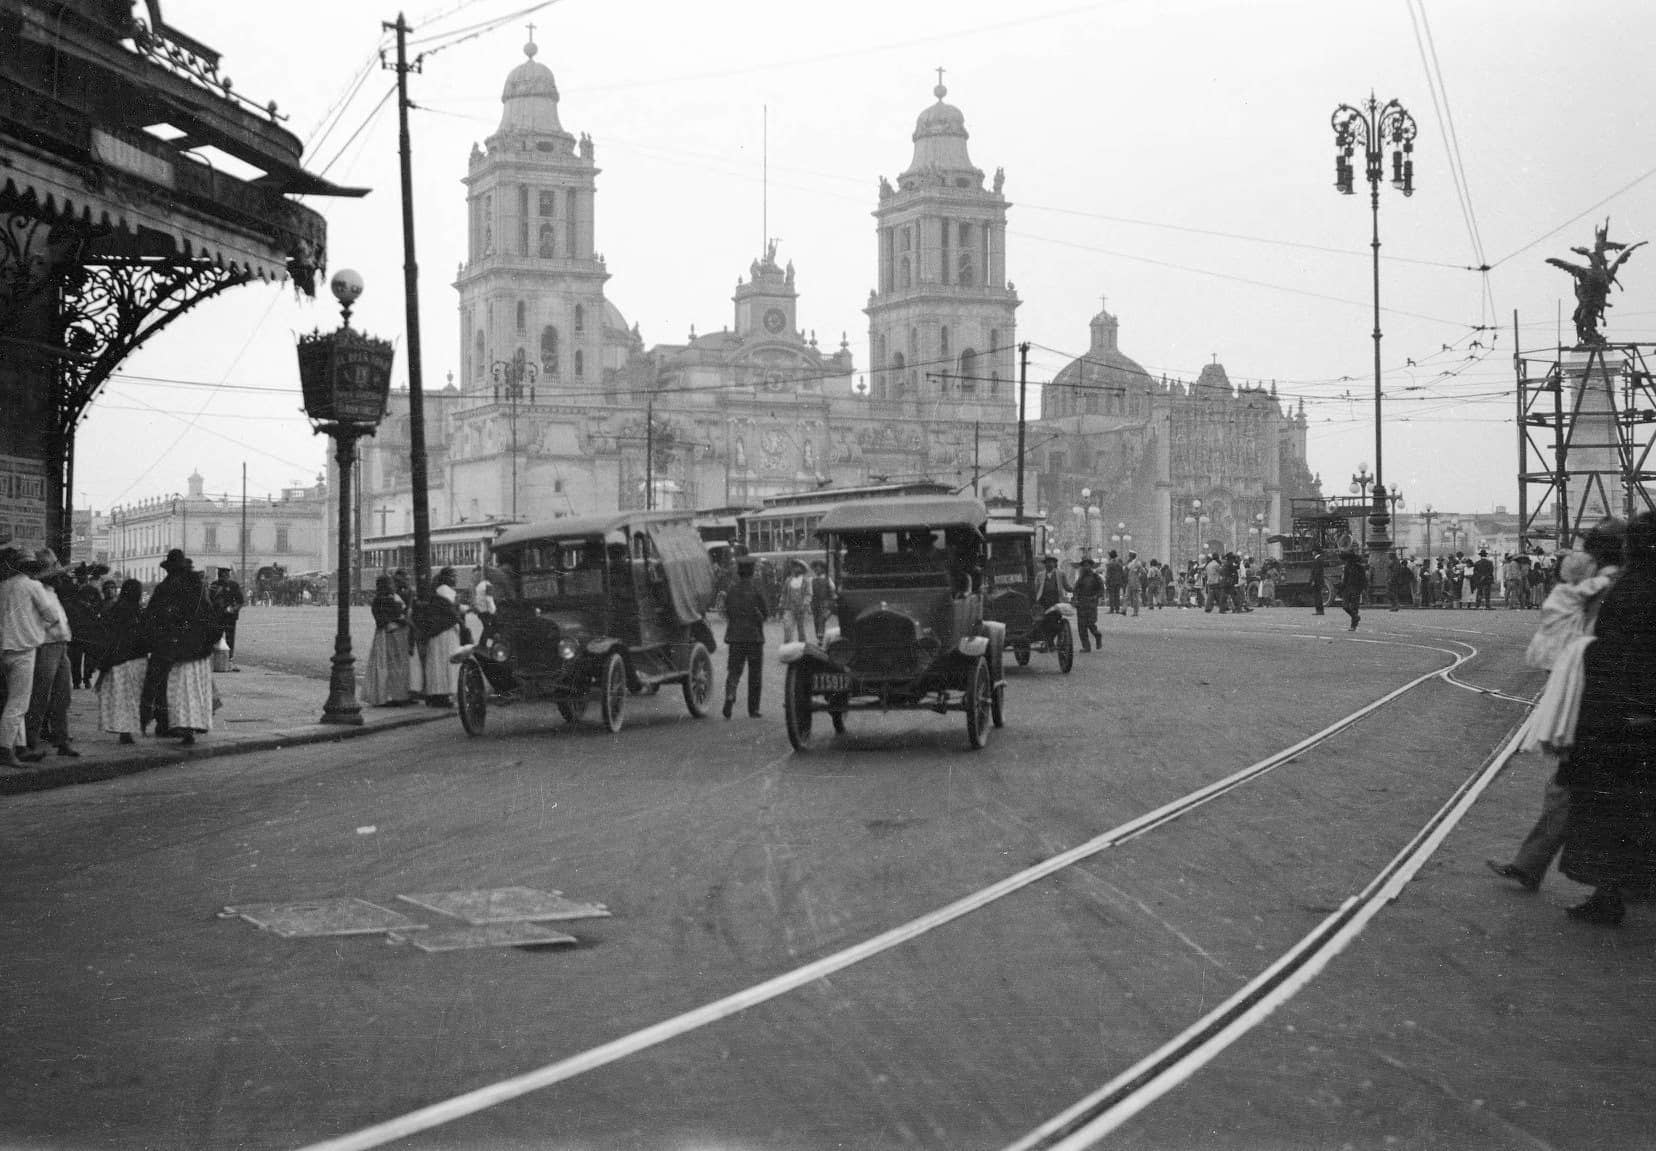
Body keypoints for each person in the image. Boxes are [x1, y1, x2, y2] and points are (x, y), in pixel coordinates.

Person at [1489, 520, 1625, 893]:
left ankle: (1536, 867)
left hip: (1597, 700)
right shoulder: (1611, 585)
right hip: (1606, 700)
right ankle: (1530, 865)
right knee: (1573, 787)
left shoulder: (1605, 589)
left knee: (1569, 786)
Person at [1555, 510, 1656, 925]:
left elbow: (1610, 654)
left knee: (1607, 809)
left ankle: (1608, 894)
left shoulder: (1627, 589)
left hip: (1619, 716)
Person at [141, 553, 219, 745]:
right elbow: (208, 615)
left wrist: (155, 639)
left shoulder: (165, 588)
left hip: (170, 646)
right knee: (189, 687)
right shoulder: (195, 587)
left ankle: (168, 723)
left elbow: (152, 616)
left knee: (166, 686)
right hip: (193, 647)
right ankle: (188, 724)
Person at [0, 547, 58, 768]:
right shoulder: (33, 586)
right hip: (25, 649)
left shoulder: (4, 586)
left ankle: (21, 746)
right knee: (19, 702)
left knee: (13, 698)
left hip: (5, 649)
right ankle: (6, 748)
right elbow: (51, 616)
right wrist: (37, 627)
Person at [22, 550, 77, 758]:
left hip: (61, 643)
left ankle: (61, 739)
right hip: (47, 644)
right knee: (41, 695)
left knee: (63, 695)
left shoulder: (52, 591)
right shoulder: (38, 590)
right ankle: (31, 740)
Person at [96, 579, 148, 745]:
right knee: (133, 697)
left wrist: (104, 665)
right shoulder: (138, 612)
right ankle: (128, 730)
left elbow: (109, 638)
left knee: (122, 697)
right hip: (136, 659)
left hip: (119, 660)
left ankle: (124, 730)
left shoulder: (116, 610)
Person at [721, 556, 768, 719]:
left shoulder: (732, 590)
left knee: (733, 671)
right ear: (752, 572)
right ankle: (753, 709)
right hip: (754, 637)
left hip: (735, 637)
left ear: (739, 572)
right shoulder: (756, 590)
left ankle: (730, 695)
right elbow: (766, 613)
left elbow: (727, 611)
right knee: (755, 674)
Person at [416, 567, 464, 708]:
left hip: (440, 632)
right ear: (446, 578)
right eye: (453, 576)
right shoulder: (444, 590)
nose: (455, 578)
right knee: (445, 662)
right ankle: (442, 694)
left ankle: (438, 694)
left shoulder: (441, 590)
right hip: (445, 631)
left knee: (438, 663)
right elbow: (451, 609)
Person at [363, 575, 411, 707]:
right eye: (390, 583)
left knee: (393, 665)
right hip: (389, 635)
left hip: (392, 634)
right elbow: (387, 617)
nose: (393, 586)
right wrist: (401, 619)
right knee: (390, 665)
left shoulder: (387, 599)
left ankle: (394, 695)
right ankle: (390, 696)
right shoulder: (383, 600)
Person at [209, 567, 245, 669]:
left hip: (230, 617)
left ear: (228, 576)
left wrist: (233, 609)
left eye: (225, 575)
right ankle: (216, 661)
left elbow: (240, 601)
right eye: (221, 575)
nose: (223, 577)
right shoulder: (214, 585)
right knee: (215, 638)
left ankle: (230, 660)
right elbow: (210, 600)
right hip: (217, 617)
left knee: (230, 639)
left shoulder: (233, 585)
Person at [1031, 554, 1070, 644]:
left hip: (1056, 602)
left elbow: (1066, 586)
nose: (1049, 564)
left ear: (1054, 564)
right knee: (1044, 622)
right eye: (1048, 562)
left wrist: (1075, 590)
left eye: (1051, 562)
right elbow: (1036, 588)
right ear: (1045, 564)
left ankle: (1051, 640)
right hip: (1043, 602)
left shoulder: (1061, 574)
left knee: (1055, 622)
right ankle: (1049, 642)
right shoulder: (1040, 575)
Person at [1071, 557, 1103, 652]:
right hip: (1081, 604)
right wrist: (1075, 598)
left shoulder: (1096, 577)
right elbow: (1075, 589)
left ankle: (1097, 635)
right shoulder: (1081, 578)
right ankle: (1086, 646)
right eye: (1084, 565)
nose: (1086, 567)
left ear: (1091, 566)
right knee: (1081, 626)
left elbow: (1101, 589)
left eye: (1088, 565)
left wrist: (1096, 597)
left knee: (1090, 623)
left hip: (1091, 603)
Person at [779, 560, 811, 644]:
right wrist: (781, 603)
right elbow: (784, 593)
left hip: (801, 609)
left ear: (802, 569)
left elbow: (808, 594)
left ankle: (802, 647)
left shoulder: (806, 581)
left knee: (801, 630)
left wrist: (805, 603)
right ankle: (788, 646)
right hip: (789, 608)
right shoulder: (788, 580)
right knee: (787, 627)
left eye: (798, 566)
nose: (796, 568)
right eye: (794, 566)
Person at [1338, 551, 1367, 631]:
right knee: (1345, 606)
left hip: (1356, 588)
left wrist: (1363, 589)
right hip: (1348, 588)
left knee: (1354, 608)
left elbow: (1363, 579)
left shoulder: (1359, 567)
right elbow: (1345, 579)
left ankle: (1353, 625)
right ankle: (1356, 617)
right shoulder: (1348, 566)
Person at [809, 559, 835, 643]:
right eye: (815, 568)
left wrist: (832, 599)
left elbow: (833, 589)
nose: (816, 569)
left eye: (818, 568)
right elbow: (810, 592)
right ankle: (818, 635)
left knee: (821, 618)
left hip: (824, 602)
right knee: (816, 619)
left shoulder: (827, 579)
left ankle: (820, 635)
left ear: (823, 569)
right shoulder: (812, 580)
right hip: (815, 603)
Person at [469, 564, 496, 639]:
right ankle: (482, 644)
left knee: (487, 627)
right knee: (488, 628)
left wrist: (474, 605)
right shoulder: (487, 584)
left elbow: (474, 595)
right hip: (486, 610)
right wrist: (493, 611)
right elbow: (489, 599)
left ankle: (483, 644)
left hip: (480, 609)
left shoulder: (477, 584)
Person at [1102, 550, 1126, 615]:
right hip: (1118, 582)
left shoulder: (1109, 564)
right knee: (1117, 595)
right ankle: (1117, 609)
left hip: (1111, 582)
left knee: (1111, 596)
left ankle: (1112, 609)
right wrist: (1122, 581)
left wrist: (1106, 582)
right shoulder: (1119, 564)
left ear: (1110, 556)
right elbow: (1122, 573)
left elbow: (1108, 575)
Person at [1124, 551, 1146, 617]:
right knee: (1126, 596)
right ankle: (1124, 610)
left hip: (1135, 583)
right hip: (1129, 582)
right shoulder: (1129, 563)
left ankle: (1135, 612)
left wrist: (1138, 576)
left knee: (1135, 598)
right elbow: (1126, 570)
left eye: (1129, 556)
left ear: (1132, 556)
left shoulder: (1138, 563)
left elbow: (1143, 572)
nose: (1129, 557)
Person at [1308, 550, 1326, 615]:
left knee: (1317, 596)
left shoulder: (1317, 560)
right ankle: (1320, 610)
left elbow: (1316, 571)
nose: (1312, 553)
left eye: (1313, 551)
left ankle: (1319, 610)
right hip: (1319, 580)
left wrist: (1313, 580)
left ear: (1315, 552)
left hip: (1317, 580)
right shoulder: (1320, 559)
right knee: (1318, 595)